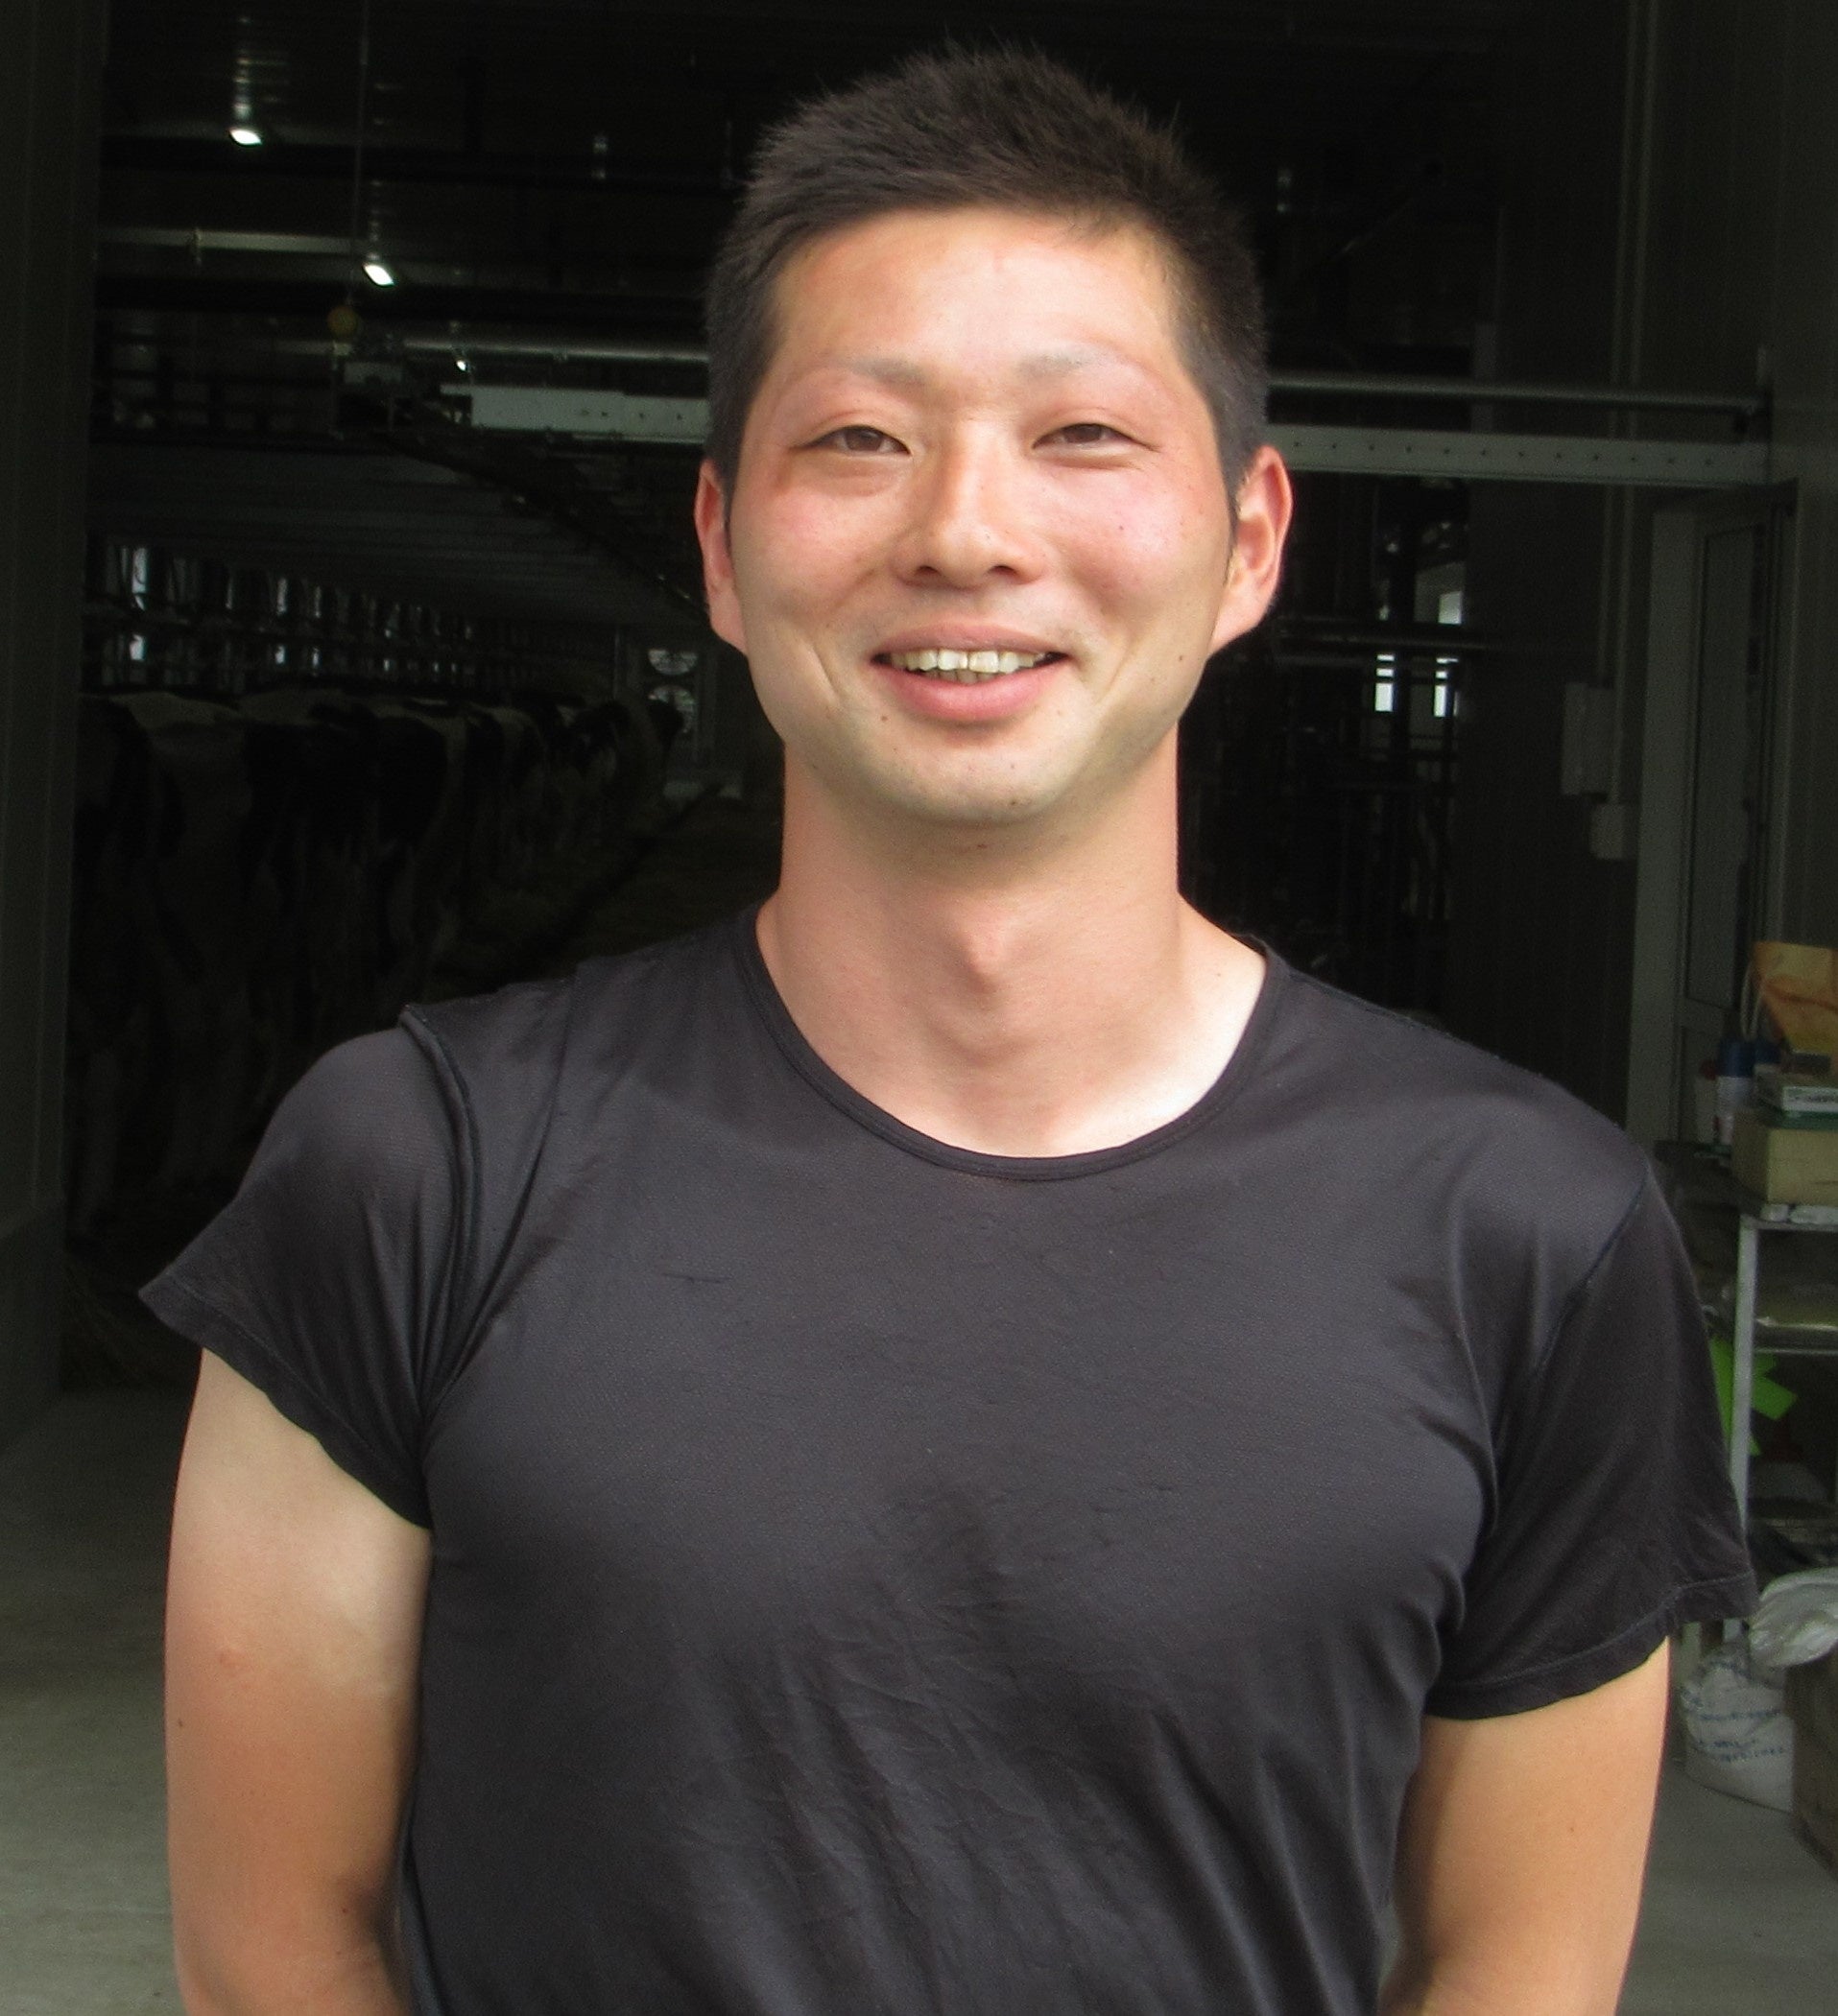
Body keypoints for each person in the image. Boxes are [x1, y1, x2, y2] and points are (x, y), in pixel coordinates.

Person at [151, 47, 1754, 2016]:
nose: (966, 532)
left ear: (1251, 539)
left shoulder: (1533, 1236)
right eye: (859, 439)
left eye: (1083, 433)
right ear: (721, 546)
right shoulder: (419, 1169)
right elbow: (272, 1947)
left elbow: (1518, 1969)